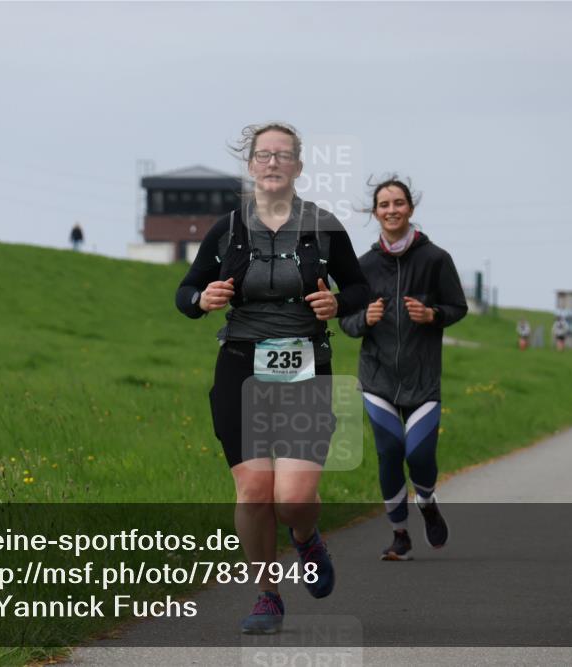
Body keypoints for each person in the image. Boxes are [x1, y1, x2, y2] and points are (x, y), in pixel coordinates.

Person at [175, 122, 369, 633]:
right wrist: (203, 299)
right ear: (251, 164)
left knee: (293, 498)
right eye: (264, 155)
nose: (273, 163)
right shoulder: (228, 229)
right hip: (241, 364)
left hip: (305, 364)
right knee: (255, 490)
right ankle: (266, 595)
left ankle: (306, 538)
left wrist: (338, 302)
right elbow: (188, 289)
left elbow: (360, 289)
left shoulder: (324, 226)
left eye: (283, 155)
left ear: (298, 167)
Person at [340, 177, 468, 561]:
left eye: (398, 203)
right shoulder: (362, 267)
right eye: (384, 204)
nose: (391, 210)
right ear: (375, 212)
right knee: (390, 451)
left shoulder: (436, 260)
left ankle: (426, 501)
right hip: (378, 377)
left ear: (410, 208)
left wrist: (433, 314)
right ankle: (400, 535)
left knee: (420, 454)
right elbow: (345, 321)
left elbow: (458, 307)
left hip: (422, 377)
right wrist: (366, 317)